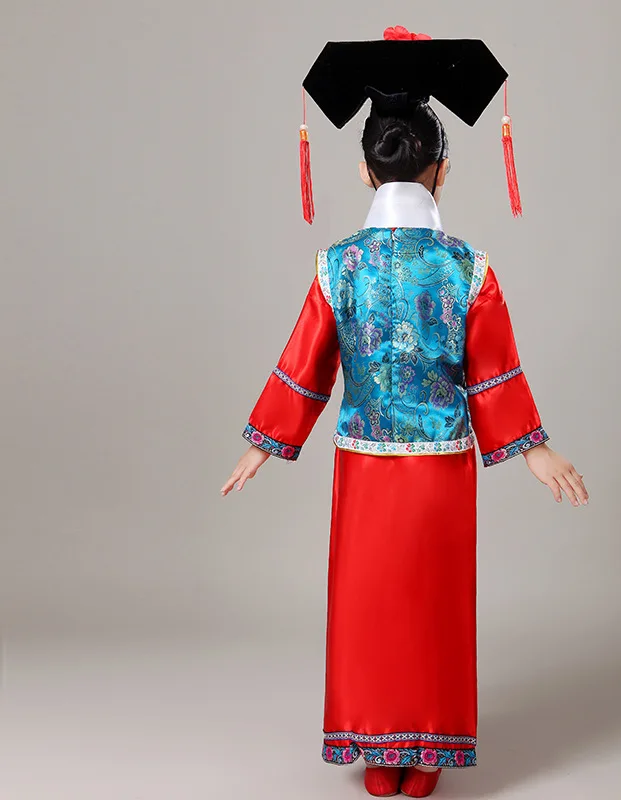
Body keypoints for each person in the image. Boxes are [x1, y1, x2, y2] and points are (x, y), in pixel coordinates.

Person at [221, 26, 588, 799]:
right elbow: (494, 373)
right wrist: (534, 448)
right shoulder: (468, 269)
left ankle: (377, 752)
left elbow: (305, 363)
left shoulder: (337, 266)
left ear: (363, 169)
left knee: (370, 607)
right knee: (432, 606)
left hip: (364, 464)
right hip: (441, 469)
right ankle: (428, 753)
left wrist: (265, 442)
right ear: (441, 171)